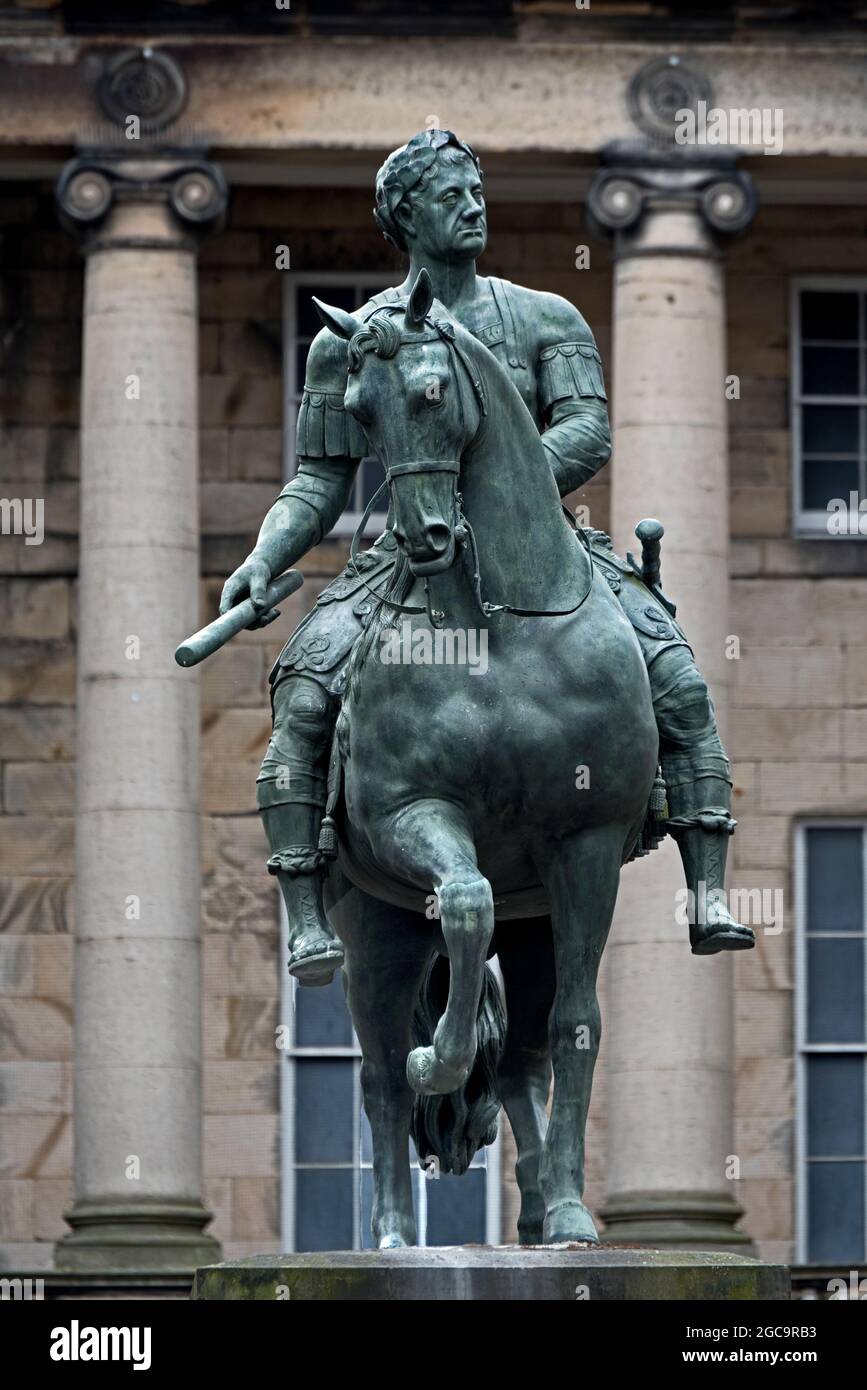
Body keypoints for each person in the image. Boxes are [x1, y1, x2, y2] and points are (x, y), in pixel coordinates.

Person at [220, 129, 755, 984]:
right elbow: (318, 480)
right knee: (305, 693)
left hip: (546, 545)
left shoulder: (546, 316)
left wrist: (504, 492)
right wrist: (261, 556)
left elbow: (587, 430)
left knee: (677, 677)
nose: (472, 208)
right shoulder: (352, 340)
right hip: (408, 554)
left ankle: (707, 888)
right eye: (449, 196)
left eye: (475, 192)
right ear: (405, 217)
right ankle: (309, 909)